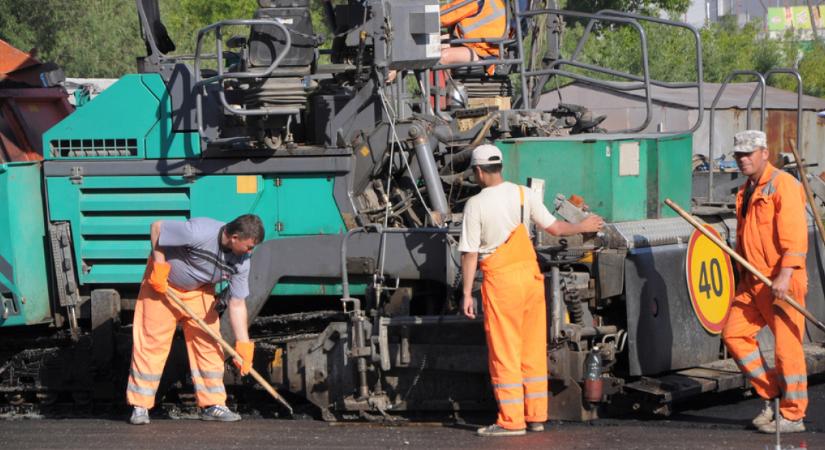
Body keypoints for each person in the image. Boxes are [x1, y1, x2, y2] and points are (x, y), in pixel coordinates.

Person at [458, 144, 604, 436]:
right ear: (499, 167)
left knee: (505, 351)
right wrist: (584, 224)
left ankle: (511, 421)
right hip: (531, 278)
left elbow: (470, 253)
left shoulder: (476, 204)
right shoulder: (525, 194)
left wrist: (465, 293)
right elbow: (556, 228)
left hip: (502, 282)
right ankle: (536, 416)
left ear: (477, 171)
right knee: (532, 350)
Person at [127, 214, 264, 425]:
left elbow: (237, 304)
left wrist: (243, 344)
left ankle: (213, 405)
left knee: (209, 345)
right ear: (234, 237)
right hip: (163, 287)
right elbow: (156, 228)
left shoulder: (242, 262)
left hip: (198, 292)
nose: (251, 252)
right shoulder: (198, 232)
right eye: (249, 246)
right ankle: (140, 406)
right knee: (151, 344)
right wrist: (160, 268)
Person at [722, 130, 809, 434]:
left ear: (764, 153)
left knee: (787, 349)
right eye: (738, 154)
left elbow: (795, 235)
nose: (742, 159)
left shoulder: (783, 185)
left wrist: (785, 274)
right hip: (754, 281)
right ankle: (771, 393)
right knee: (734, 334)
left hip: (782, 279)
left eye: (748, 153)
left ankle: (793, 415)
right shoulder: (747, 189)